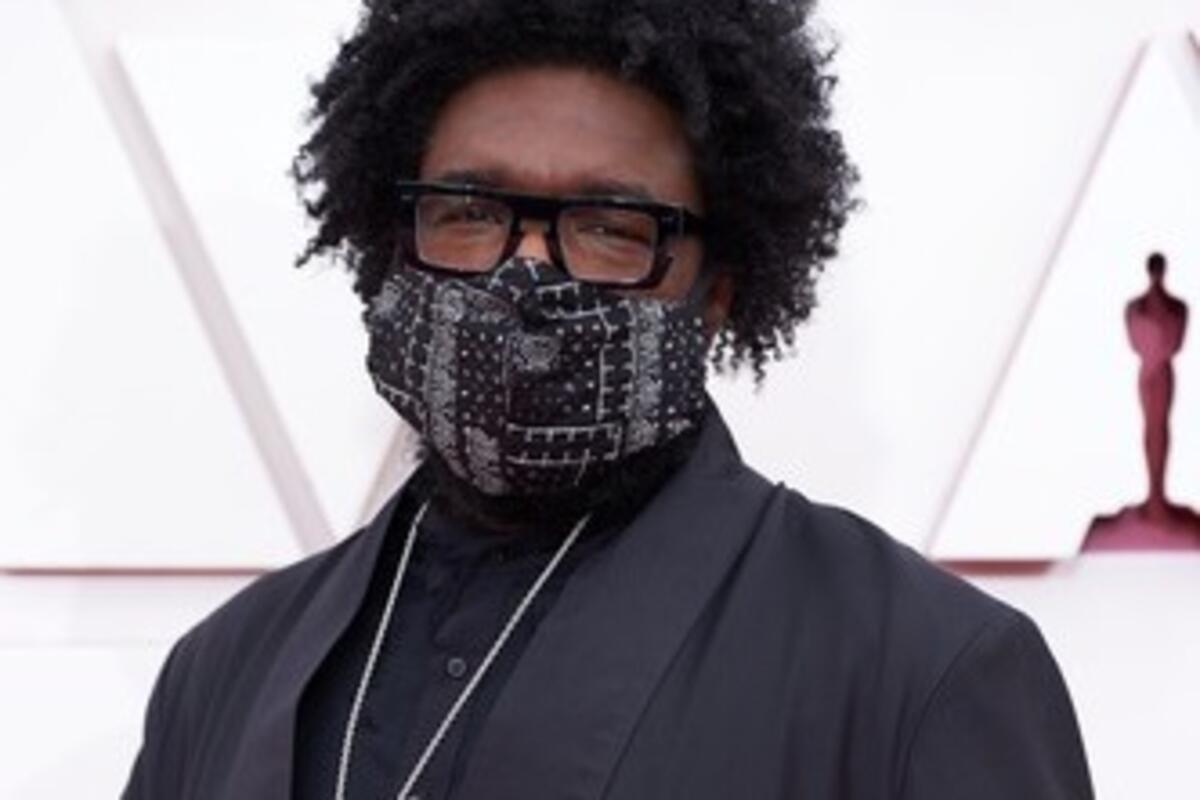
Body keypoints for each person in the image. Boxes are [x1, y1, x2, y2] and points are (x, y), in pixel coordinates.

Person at [123, 0, 1094, 797]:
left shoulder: (916, 672)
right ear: (393, 243)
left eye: (609, 226)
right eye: (469, 211)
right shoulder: (223, 671)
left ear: (718, 285)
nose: (526, 271)